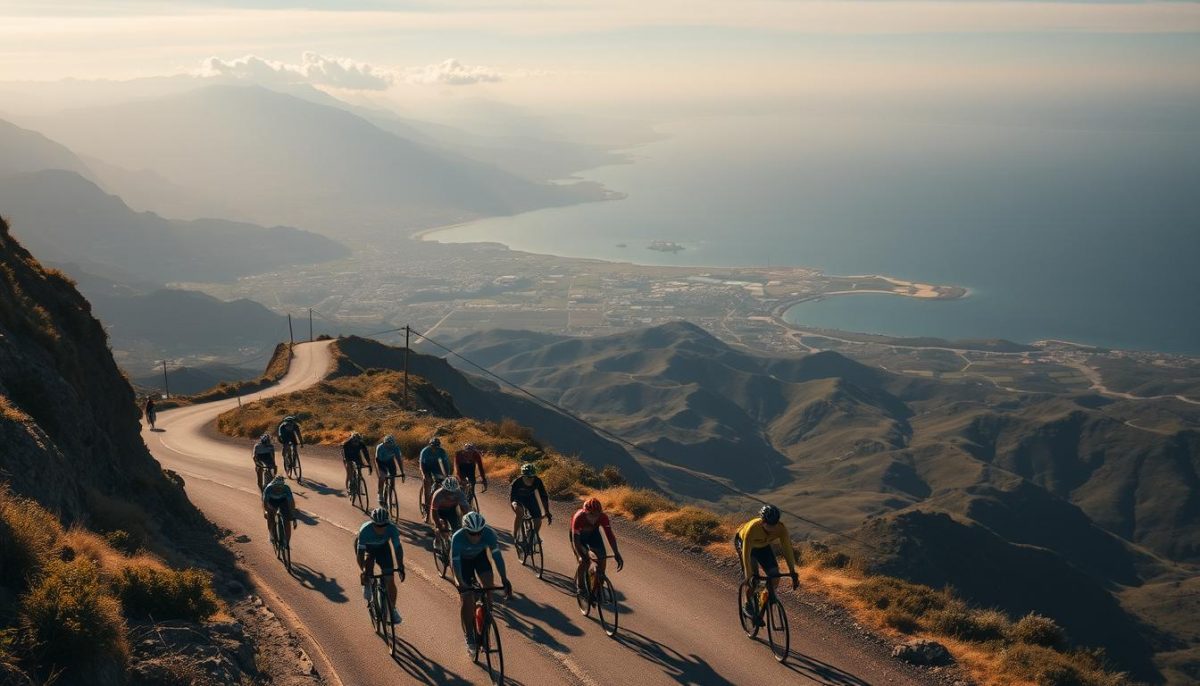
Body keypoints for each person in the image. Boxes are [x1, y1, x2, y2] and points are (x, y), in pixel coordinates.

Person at [450, 512, 512, 655]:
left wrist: (504, 578)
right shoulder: (457, 538)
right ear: (465, 530)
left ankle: (484, 633)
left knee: (488, 595)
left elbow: (497, 557)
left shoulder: (489, 534)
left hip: (479, 558)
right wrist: (460, 583)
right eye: (472, 533)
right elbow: (456, 564)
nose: (476, 536)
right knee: (467, 598)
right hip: (462, 563)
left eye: (479, 532)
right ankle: (469, 637)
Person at [735, 504, 799, 624]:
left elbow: (787, 550)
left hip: (763, 547)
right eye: (769, 524)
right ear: (762, 521)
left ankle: (761, 599)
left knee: (774, 575)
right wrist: (748, 575)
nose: (772, 528)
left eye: (774, 524)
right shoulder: (753, 528)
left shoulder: (781, 529)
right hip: (746, 545)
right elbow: (746, 553)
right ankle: (748, 603)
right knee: (755, 580)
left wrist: (792, 571)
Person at [356, 507, 406, 625]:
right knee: (367, 567)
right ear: (372, 523)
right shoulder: (365, 531)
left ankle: (392, 610)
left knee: (390, 580)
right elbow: (360, 554)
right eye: (378, 526)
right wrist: (363, 570)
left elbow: (397, 548)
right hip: (368, 549)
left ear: (387, 523)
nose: (381, 528)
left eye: (383, 526)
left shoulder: (392, 529)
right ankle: (367, 584)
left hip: (383, 549)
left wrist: (400, 566)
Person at [570, 497, 624, 597]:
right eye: (591, 514)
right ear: (585, 511)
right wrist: (582, 555)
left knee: (602, 558)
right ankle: (580, 586)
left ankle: (598, 585)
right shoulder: (579, 517)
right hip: (579, 537)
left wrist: (617, 553)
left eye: (597, 514)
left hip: (593, 535)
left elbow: (610, 535)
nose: (594, 517)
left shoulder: (603, 517)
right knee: (583, 561)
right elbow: (576, 541)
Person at [509, 463, 552, 543]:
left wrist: (547, 511)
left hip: (530, 498)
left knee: (538, 518)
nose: (531, 479)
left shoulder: (537, 481)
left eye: (533, 476)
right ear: (523, 476)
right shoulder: (517, 482)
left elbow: (544, 497)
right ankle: (515, 534)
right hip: (518, 499)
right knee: (520, 513)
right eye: (529, 477)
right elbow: (512, 499)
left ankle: (534, 535)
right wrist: (515, 509)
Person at [429, 477, 470, 549]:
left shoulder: (459, 493)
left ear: (457, 489)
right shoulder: (438, 494)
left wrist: (467, 523)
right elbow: (434, 513)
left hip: (451, 510)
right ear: (443, 488)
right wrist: (440, 527)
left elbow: (465, 510)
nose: (450, 494)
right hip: (438, 511)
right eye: (447, 491)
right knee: (440, 527)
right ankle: (437, 540)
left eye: (453, 492)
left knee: (457, 529)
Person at [262, 475, 297, 547]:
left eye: (280, 487)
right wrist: (265, 511)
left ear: (283, 486)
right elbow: (265, 502)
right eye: (276, 487)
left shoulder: (286, 488)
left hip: (283, 501)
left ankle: (287, 541)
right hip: (271, 501)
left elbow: (291, 503)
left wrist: (292, 514)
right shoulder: (269, 488)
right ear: (273, 486)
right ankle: (271, 533)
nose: (278, 489)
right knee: (270, 517)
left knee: (287, 520)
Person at [418, 437, 450, 514]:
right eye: (433, 446)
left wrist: (446, 475)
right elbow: (421, 464)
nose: (435, 447)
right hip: (426, 467)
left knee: (441, 483)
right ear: (430, 445)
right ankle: (426, 505)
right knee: (427, 481)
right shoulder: (425, 451)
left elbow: (446, 465)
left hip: (436, 468)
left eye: (437, 446)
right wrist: (424, 474)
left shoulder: (442, 452)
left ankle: (436, 497)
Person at [374, 434, 406, 504]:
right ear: (385, 443)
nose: (391, 446)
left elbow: (398, 460)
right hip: (381, 462)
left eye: (392, 444)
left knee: (392, 479)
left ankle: (390, 496)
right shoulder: (380, 447)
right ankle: (380, 493)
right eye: (389, 444)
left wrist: (402, 472)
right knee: (382, 477)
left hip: (390, 462)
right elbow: (376, 460)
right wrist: (379, 473)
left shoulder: (395, 447)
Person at [342, 431, 372, 500]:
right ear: (352, 440)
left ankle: (358, 487)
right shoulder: (346, 444)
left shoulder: (361, 444)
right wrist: (350, 466)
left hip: (356, 456)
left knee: (359, 470)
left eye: (357, 442)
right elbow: (346, 458)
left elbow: (366, 454)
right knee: (349, 472)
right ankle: (349, 488)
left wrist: (369, 464)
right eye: (355, 442)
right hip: (347, 457)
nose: (356, 443)